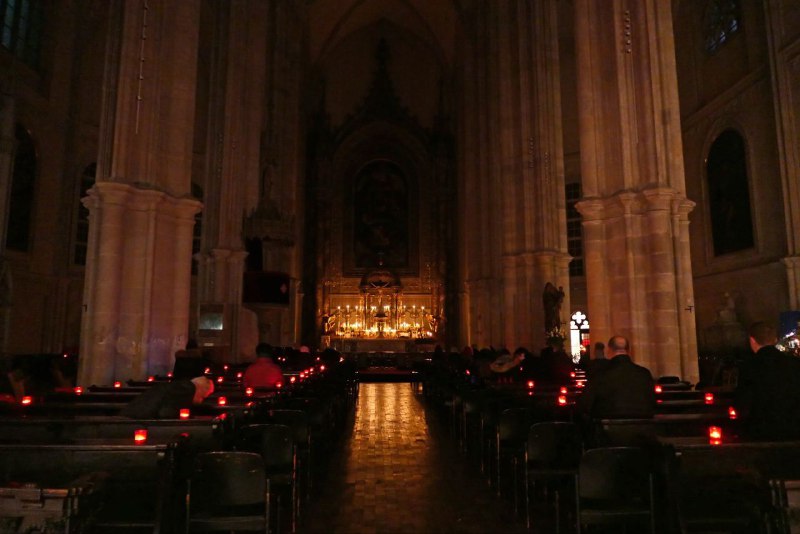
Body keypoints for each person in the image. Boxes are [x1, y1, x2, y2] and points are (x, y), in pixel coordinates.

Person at [576, 336, 656, 447]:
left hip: (607, 439)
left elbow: (584, 406)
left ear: (609, 351)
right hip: (642, 436)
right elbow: (653, 402)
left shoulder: (600, 374)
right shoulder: (644, 374)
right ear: (629, 351)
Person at [736, 321, 800, 440]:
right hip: (793, 431)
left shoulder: (749, 367)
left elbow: (743, 403)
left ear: (752, 341)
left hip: (760, 433)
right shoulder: (795, 364)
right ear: (775, 340)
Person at [120, 376, 214, 419]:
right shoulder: (187, 389)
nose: (201, 401)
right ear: (201, 389)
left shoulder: (179, 385)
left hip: (132, 413)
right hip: (139, 420)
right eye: (203, 397)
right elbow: (166, 413)